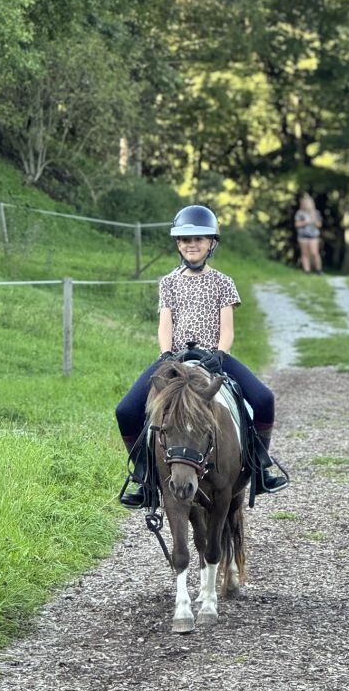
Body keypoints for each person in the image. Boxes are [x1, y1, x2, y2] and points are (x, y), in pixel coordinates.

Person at [116, 204, 287, 508]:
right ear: (178, 244)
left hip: (214, 357)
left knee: (264, 399)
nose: (191, 245)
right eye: (185, 240)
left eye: (198, 239)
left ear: (212, 243)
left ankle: (261, 467)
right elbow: (165, 323)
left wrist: (220, 353)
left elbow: (227, 328)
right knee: (126, 410)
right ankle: (143, 477)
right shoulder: (168, 282)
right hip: (175, 359)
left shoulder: (223, 282)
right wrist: (166, 354)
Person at [294, 194, 323, 273]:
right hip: (303, 236)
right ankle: (307, 271)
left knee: (314, 253)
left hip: (313, 236)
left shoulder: (316, 213)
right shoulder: (299, 213)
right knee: (305, 254)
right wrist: (307, 222)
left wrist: (314, 220)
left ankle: (318, 270)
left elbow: (319, 225)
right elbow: (297, 224)